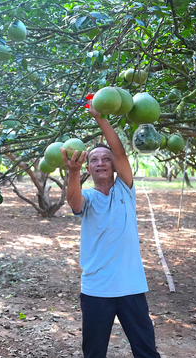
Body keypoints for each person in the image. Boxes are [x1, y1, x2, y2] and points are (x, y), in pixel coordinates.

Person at [61, 98, 161, 358]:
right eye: (94, 160)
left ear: (114, 165)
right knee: (94, 353)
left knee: (146, 350)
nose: (101, 162)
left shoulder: (125, 190)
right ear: (89, 168)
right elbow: (73, 201)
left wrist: (99, 117)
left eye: (106, 158)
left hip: (130, 286)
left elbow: (120, 152)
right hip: (96, 289)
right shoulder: (88, 197)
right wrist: (73, 172)